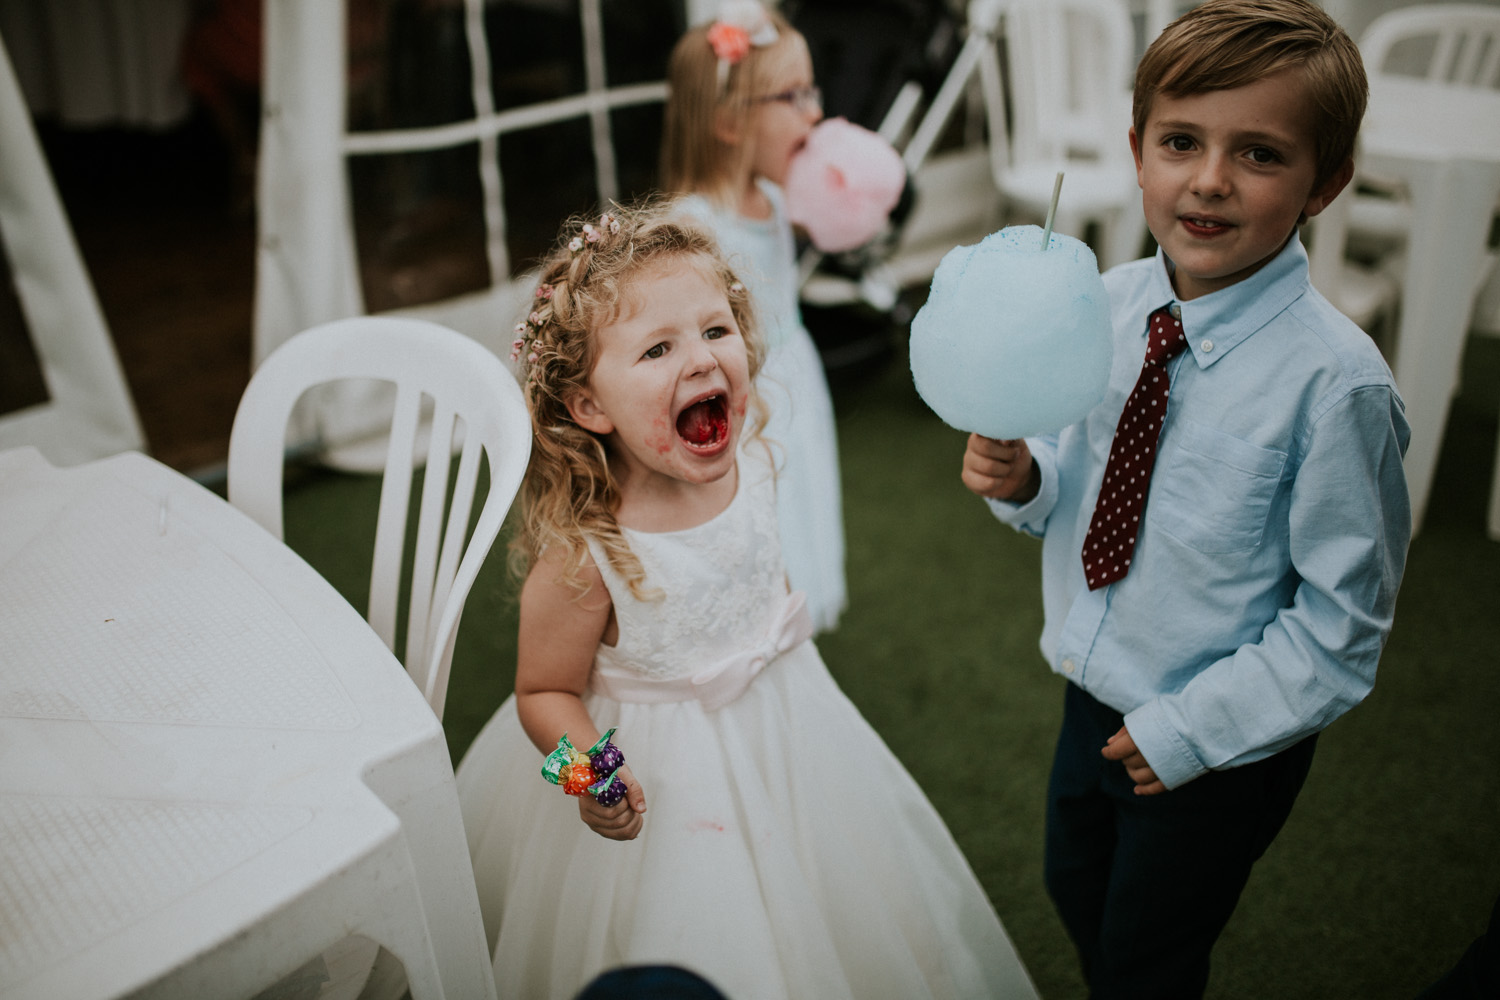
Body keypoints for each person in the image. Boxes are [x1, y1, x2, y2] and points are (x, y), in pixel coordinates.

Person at [456, 200, 1038, 1000]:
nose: (699, 360)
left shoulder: (753, 460)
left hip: (792, 722)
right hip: (655, 777)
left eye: (714, 329)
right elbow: (541, 691)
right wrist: (587, 774)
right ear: (589, 405)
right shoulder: (592, 551)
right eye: (658, 348)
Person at [959, 2, 1411, 996]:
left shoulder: (1336, 388)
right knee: (1073, 885)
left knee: (1149, 954)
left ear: (1324, 182)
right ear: (1136, 151)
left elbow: (1341, 626)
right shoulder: (1106, 306)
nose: (1208, 179)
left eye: (1258, 153)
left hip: (1216, 739)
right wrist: (1030, 478)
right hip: (1090, 681)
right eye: (1181, 141)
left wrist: (1192, 733)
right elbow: (1077, 470)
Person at [659, 0, 846, 633]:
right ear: (730, 123)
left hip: (794, 374)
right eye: (794, 96)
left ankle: (801, 613)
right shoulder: (693, 226)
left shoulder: (772, 197)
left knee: (803, 496)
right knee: (759, 513)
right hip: (745, 398)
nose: (815, 112)